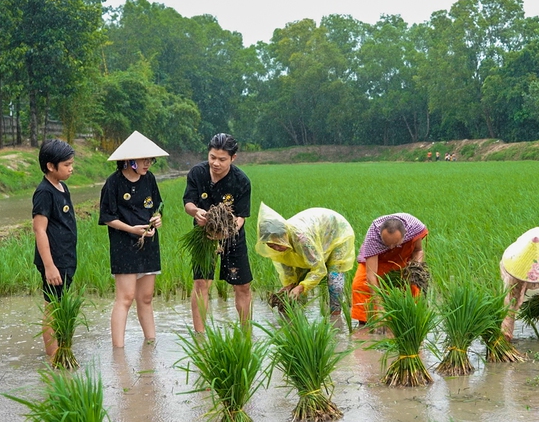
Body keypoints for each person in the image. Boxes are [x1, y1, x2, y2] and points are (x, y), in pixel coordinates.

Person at [99, 131, 168, 347]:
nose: (148, 163)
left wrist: (157, 220)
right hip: (124, 245)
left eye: (151, 159)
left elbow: (158, 208)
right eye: (144, 159)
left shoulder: (150, 179)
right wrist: (131, 229)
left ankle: (151, 344)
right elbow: (107, 217)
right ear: (129, 160)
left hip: (148, 244)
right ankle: (118, 351)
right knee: (126, 298)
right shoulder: (114, 183)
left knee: (146, 298)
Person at [183, 133, 252, 332]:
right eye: (212, 157)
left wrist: (225, 233)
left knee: (243, 286)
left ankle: (246, 333)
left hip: (233, 236)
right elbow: (188, 203)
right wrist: (197, 212)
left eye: (222, 159)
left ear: (233, 158)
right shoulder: (197, 173)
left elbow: (240, 217)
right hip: (203, 235)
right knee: (201, 283)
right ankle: (200, 336)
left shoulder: (241, 181)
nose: (216, 163)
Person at [255, 202, 355, 314]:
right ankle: (298, 316)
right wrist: (290, 285)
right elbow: (288, 272)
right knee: (298, 281)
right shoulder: (275, 248)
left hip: (337, 232)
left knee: (334, 279)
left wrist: (300, 288)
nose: (276, 248)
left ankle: (335, 317)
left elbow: (319, 269)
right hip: (316, 234)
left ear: (284, 235)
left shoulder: (302, 240)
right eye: (271, 245)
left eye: (278, 244)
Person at [32, 139, 76, 357]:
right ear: (51, 166)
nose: (71, 168)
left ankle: (62, 350)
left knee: (62, 305)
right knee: (52, 307)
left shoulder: (62, 187)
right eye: (67, 165)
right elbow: (39, 230)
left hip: (66, 258)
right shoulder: (44, 192)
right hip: (54, 262)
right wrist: (49, 266)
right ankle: (54, 357)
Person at [351, 213, 428, 324]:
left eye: (395, 244)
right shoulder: (373, 236)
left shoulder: (414, 228)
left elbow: (418, 251)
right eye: (387, 244)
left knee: (413, 284)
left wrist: (415, 268)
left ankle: (409, 319)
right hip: (378, 261)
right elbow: (371, 275)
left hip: (401, 261)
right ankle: (366, 324)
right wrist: (380, 308)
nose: (391, 248)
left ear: (405, 235)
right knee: (360, 285)